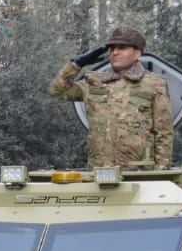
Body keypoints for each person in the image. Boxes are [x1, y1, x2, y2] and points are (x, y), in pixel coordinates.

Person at [48, 26, 173, 169]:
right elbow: (56, 91)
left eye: (122, 48)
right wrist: (77, 64)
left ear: (137, 53)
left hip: (138, 172)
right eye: (112, 48)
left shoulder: (154, 84)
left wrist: (161, 171)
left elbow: (164, 131)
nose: (115, 52)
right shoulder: (94, 82)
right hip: (100, 172)